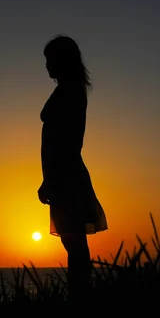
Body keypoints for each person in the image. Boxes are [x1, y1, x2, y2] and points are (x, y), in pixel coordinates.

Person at [38, 34, 108, 301]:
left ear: (63, 60)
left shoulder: (70, 90)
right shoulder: (68, 89)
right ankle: (79, 294)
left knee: (74, 240)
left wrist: (51, 179)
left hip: (66, 174)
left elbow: (65, 141)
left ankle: (80, 296)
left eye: (50, 59)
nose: (47, 66)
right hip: (63, 173)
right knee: (72, 240)